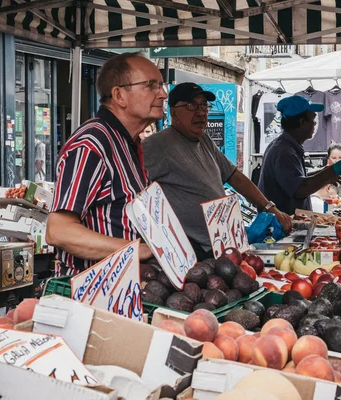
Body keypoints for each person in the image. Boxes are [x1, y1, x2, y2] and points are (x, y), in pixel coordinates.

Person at [46, 52, 167, 275]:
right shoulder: (91, 145)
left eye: (161, 85)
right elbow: (59, 231)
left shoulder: (128, 142)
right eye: (151, 85)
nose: (163, 94)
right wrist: (137, 250)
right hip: (92, 296)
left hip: (127, 290)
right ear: (119, 95)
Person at [142, 82, 292, 261]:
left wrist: (270, 207)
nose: (200, 112)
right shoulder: (157, 145)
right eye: (191, 106)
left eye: (204, 105)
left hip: (222, 245)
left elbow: (235, 176)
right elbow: (134, 191)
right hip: (192, 251)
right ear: (173, 112)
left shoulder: (203, 139)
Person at [258, 95, 341, 215]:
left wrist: (327, 172)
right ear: (302, 122)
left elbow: (300, 178)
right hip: (281, 227)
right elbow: (300, 189)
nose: (314, 125)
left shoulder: (286, 146)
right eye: (313, 120)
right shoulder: (283, 152)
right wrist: (333, 170)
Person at [312, 142, 341, 212]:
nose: (337, 161)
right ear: (328, 159)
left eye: (340, 158)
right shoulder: (322, 174)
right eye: (334, 158)